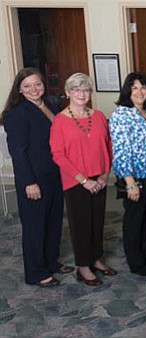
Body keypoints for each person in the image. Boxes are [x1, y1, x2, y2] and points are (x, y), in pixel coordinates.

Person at [1, 68, 73, 287]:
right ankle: (35, 272)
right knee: (35, 226)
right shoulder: (17, 114)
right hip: (33, 179)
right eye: (27, 86)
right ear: (20, 90)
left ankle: (51, 261)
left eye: (37, 84)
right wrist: (29, 182)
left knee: (53, 221)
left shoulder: (50, 105)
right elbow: (18, 152)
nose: (34, 89)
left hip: (54, 174)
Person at [50, 73, 114, 286]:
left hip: (99, 178)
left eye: (86, 89)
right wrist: (83, 180)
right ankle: (83, 266)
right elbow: (58, 154)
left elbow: (108, 147)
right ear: (68, 93)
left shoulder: (98, 116)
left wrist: (105, 174)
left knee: (97, 221)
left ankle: (96, 258)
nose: (82, 94)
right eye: (76, 89)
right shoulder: (60, 121)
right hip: (76, 181)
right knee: (81, 224)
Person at [110, 72, 146, 276]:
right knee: (134, 220)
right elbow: (121, 150)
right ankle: (135, 262)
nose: (139, 92)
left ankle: (145, 254)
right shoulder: (122, 114)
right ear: (128, 91)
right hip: (134, 177)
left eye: (143, 87)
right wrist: (130, 182)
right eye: (134, 88)